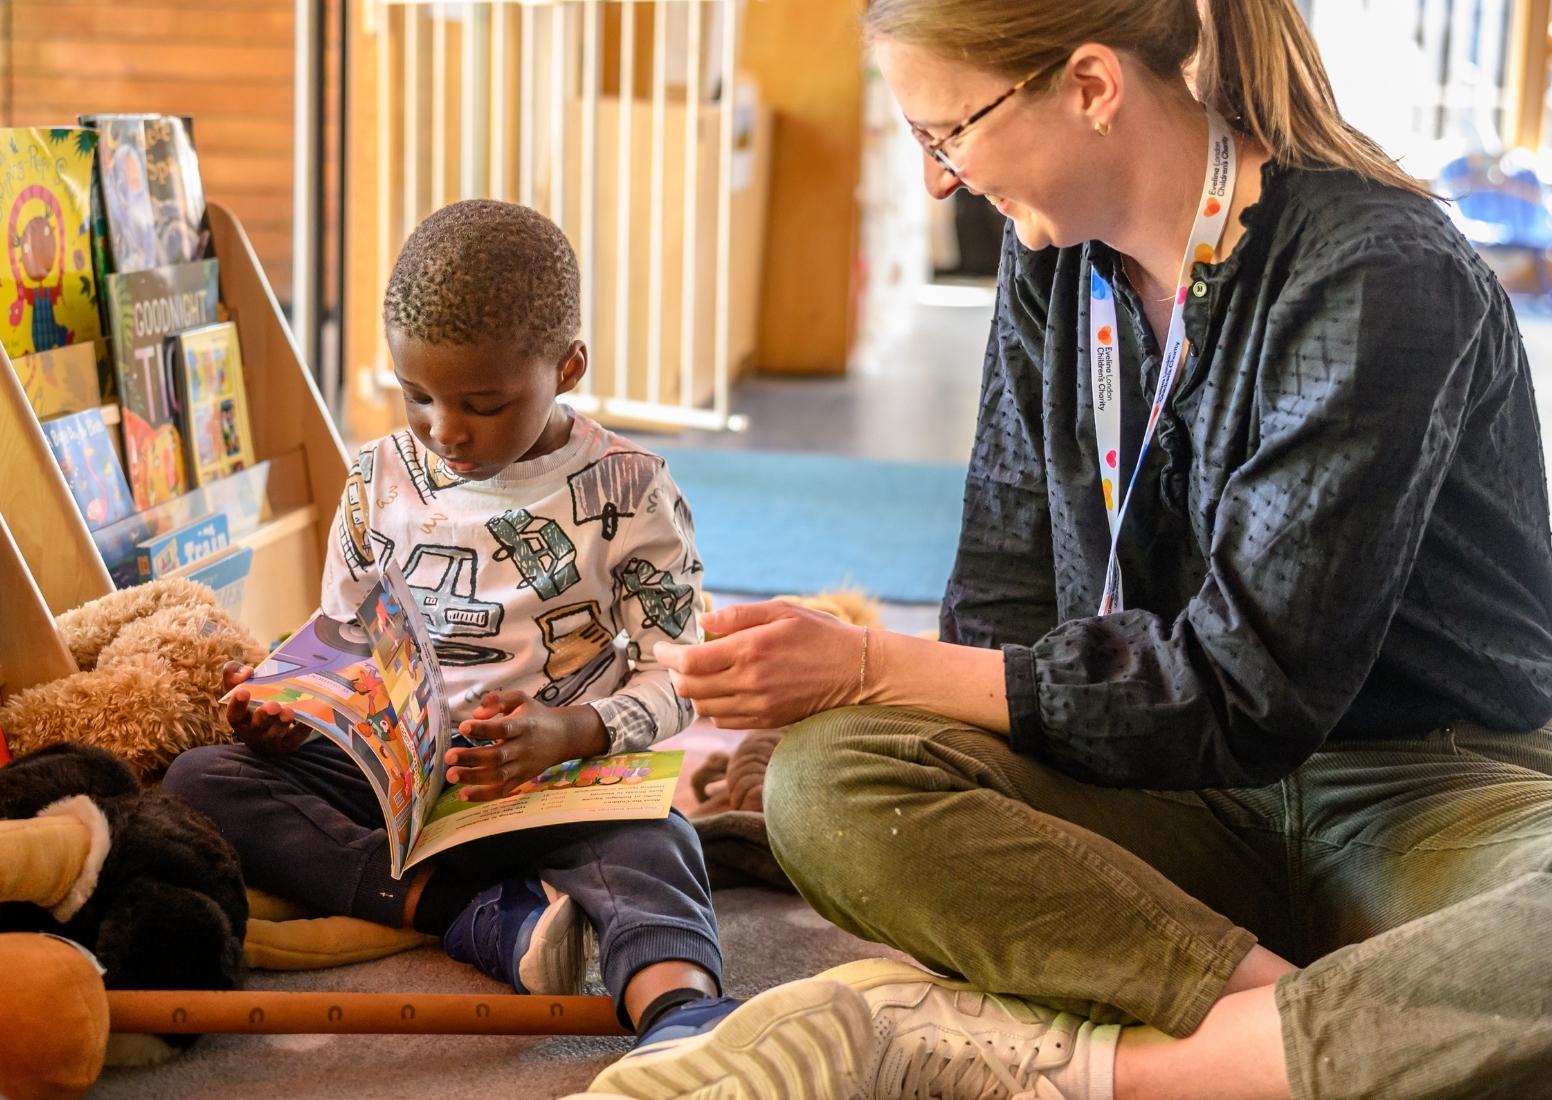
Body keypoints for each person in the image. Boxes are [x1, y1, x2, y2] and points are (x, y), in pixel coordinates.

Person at [598, 1, 1552, 1098]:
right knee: (826, 782)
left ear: (1091, 87)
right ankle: (1335, 1027)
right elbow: (1001, 601)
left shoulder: (1378, 272)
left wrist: (866, 664)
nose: (937, 180)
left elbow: (1249, 691)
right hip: (1167, 784)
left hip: (1426, 783)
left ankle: (1123, 1068)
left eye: (946, 131)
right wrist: (860, 714)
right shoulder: (1051, 257)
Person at [162, 199, 864, 1065]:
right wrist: (291, 712)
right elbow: (345, 639)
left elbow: (679, 674)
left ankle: (678, 1016)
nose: (445, 431)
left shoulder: (629, 490)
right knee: (202, 778)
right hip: (400, 789)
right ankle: (466, 913)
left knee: (658, 840)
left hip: (560, 781)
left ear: (567, 367)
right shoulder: (376, 479)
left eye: (484, 403)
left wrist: (567, 730)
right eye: (416, 396)